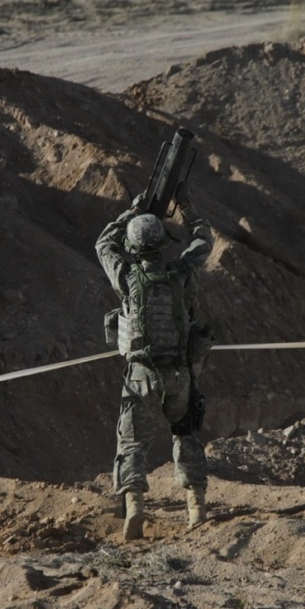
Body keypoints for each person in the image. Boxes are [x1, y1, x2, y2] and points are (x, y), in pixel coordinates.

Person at [95, 181, 214, 541]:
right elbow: (204, 239)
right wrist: (187, 207)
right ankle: (196, 509)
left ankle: (135, 508)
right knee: (186, 433)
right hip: (179, 373)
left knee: (131, 444)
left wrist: (131, 211)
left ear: (134, 246)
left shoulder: (128, 277)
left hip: (142, 376)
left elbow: (103, 244)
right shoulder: (181, 273)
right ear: (163, 243)